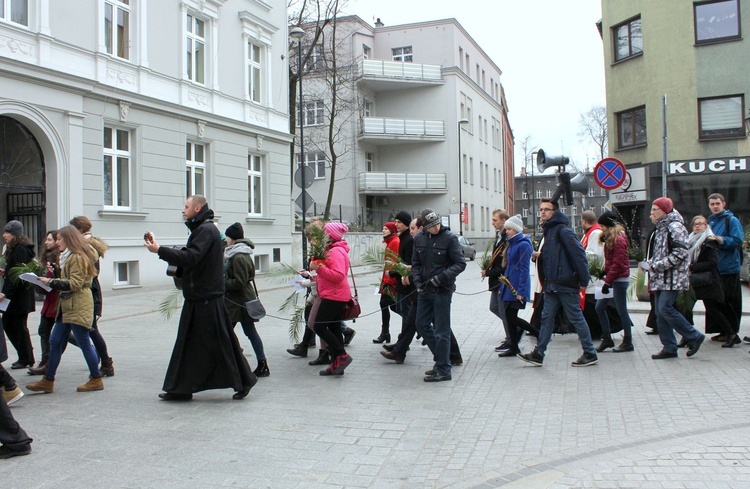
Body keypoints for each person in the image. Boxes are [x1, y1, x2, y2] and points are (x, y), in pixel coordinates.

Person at [144, 195, 257, 400]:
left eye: (186, 207)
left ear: (197, 208)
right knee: (190, 344)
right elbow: (196, 261)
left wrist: (159, 250)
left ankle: (244, 380)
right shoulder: (204, 229)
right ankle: (181, 388)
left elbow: (191, 257)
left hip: (206, 298)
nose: (183, 210)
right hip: (201, 296)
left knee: (221, 342)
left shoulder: (205, 230)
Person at [518, 199, 598, 367]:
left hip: (565, 283)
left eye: (547, 209)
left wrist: (584, 280)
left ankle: (590, 352)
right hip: (552, 284)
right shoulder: (550, 232)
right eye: (541, 209)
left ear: (555, 212)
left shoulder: (563, 231)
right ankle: (539, 353)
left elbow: (579, 255)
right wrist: (540, 258)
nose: (543, 212)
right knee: (546, 318)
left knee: (576, 317)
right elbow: (553, 258)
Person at [26, 226, 105, 393]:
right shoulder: (68, 257)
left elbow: (75, 283)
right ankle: (48, 380)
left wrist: (50, 282)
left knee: (83, 341)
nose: (57, 242)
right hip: (68, 306)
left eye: (60, 239)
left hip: (77, 305)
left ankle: (96, 378)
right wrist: (54, 274)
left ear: (69, 240)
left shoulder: (76, 257)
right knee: (55, 342)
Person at [642, 197, 705, 359]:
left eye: (655, 209)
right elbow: (660, 253)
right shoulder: (661, 227)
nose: (652, 213)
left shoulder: (675, 227)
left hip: (672, 277)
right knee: (659, 312)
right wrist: (649, 264)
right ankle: (669, 347)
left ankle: (694, 335)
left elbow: (681, 253)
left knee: (664, 308)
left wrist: (656, 266)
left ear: (664, 210)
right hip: (660, 277)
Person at [412, 209, 466, 382]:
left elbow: (460, 264)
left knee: (442, 331)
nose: (435, 228)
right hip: (424, 290)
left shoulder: (450, 238)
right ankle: (442, 360)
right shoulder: (419, 239)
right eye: (431, 226)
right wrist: (418, 281)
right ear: (424, 227)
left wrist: (441, 277)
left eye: (436, 224)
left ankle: (443, 369)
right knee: (421, 325)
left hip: (442, 290)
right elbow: (415, 263)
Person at [68, 216, 114, 376]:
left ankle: (105, 363)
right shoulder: (90, 243)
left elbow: (88, 272)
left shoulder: (87, 246)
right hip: (91, 290)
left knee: (91, 329)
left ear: (78, 230)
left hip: (89, 291)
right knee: (88, 329)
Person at [223, 222, 269, 378]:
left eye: (227, 237)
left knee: (229, 331)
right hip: (238, 301)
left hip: (240, 302)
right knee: (241, 332)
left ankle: (251, 362)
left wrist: (221, 283)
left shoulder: (239, 256)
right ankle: (259, 363)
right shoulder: (236, 253)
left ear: (233, 239)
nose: (226, 240)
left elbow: (239, 282)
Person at [311, 222, 354, 376]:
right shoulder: (332, 250)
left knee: (319, 326)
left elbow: (338, 275)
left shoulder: (335, 252)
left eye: (324, 234)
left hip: (334, 295)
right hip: (333, 293)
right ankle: (337, 364)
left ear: (330, 236)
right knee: (334, 328)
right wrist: (317, 274)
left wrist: (319, 269)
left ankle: (342, 356)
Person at [687, 215, 737, 347]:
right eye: (695, 224)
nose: (698, 226)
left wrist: (692, 267)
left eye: (701, 224)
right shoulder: (690, 240)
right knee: (685, 307)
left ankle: (731, 334)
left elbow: (713, 262)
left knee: (713, 309)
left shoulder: (710, 240)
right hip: (695, 280)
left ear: (706, 225)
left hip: (709, 281)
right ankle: (687, 336)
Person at [381, 215, 419, 363]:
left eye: (399, 222)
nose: (396, 224)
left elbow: (408, 264)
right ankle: (400, 346)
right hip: (401, 283)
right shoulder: (402, 239)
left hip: (407, 285)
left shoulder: (407, 241)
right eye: (395, 222)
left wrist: (393, 272)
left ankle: (401, 346)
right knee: (407, 316)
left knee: (412, 319)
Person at [594, 211, 634, 352]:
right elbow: (611, 262)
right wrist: (604, 272)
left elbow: (617, 264)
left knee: (621, 310)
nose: (601, 229)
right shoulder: (611, 239)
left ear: (608, 226)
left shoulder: (618, 240)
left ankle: (628, 341)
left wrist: (607, 282)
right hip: (614, 278)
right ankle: (607, 339)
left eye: (602, 226)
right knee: (599, 307)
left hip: (619, 280)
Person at [706, 193, 743, 343]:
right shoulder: (710, 221)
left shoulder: (731, 220)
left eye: (717, 203)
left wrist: (721, 240)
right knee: (716, 302)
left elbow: (738, 240)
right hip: (714, 268)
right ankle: (723, 331)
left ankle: (732, 332)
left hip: (728, 268)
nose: (715, 206)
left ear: (723, 204)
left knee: (729, 301)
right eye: (712, 204)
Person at [0, 220, 36, 369]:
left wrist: (5, 293)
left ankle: (26, 358)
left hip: (18, 298)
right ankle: (25, 356)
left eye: (6, 232)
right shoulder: (17, 248)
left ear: (14, 234)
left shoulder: (20, 249)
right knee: (12, 325)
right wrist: (5, 273)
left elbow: (17, 276)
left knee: (18, 327)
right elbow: (15, 272)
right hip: (18, 297)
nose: (4, 235)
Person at [496, 215, 533, 356]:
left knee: (511, 317)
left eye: (509, 229)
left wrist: (521, 291)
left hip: (517, 287)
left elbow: (524, 269)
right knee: (508, 316)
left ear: (516, 230)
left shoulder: (523, 244)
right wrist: (502, 287)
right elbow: (508, 267)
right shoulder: (512, 243)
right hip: (509, 285)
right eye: (506, 229)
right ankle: (514, 347)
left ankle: (538, 333)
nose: (507, 232)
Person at [27, 231, 61, 376]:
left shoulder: (57, 257)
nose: (46, 242)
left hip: (56, 301)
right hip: (49, 300)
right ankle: (44, 362)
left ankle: (45, 363)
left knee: (63, 333)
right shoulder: (46, 257)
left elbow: (60, 279)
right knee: (44, 330)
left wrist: (49, 278)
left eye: (49, 240)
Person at [482, 209, 511, 352]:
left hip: (501, 280)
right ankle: (514, 328)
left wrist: (488, 272)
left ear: (504, 221)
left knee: (502, 309)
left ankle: (511, 337)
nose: (492, 223)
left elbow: (503, 264)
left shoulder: (507, 238)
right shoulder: (500, 236)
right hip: (496, 279)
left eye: (495, 220)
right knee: (494, 307)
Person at [373, 222, 400, 344]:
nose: (383, 230)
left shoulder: (394, 242)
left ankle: (414, 324)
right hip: (388, 280)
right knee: (388, 305)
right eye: (383, 228)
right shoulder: (390, 242)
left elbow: (393, 264)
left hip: (391, 281)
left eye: (386, 229)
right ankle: (385, 333)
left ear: (392, 230)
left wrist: (388, 282)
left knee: (391, 306)